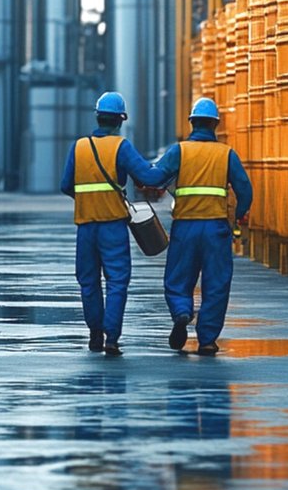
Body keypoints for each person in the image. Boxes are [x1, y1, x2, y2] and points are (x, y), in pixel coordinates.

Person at [60, 91, 168, 356]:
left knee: (88, 281)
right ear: (120, 120)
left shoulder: (79, 146)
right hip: (113, 227)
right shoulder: (122, 147)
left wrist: (88, 200)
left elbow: (66, 185)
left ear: (97, 117)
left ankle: (95, 334)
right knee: (117, 281)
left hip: (86, 227)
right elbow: (148, 176)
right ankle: (111, 338)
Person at [152, 97, 252, 356]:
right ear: (215, 124)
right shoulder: (226, 154)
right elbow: (245, 189)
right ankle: (207, 340)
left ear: (192, 123)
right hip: (216, 229)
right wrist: (239, 216)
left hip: (185, 227)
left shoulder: (179, 151)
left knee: (177, 279)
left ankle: (182, 312)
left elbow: (155, 177)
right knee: (216, 283)